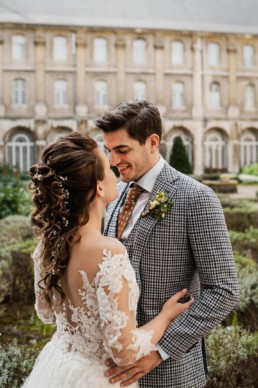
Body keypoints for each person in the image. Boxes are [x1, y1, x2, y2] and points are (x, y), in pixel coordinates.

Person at [22, 131, 193, 388]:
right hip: (97, 378)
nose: (114, 164)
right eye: (106, 163)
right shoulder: (108, 251)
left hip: (59, 366)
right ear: (99, 186)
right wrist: (166, 317)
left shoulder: (48, 244)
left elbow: (46, 313)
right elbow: (123, 352)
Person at [95, 100, 240, 388]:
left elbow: (224, 290)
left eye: (122, 150)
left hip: (170, 372)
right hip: (111, 369)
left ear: (152, 142)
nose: (113, 162)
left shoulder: (196, 198)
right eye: (109, 151)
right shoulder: (115, 193)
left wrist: (158, 351)